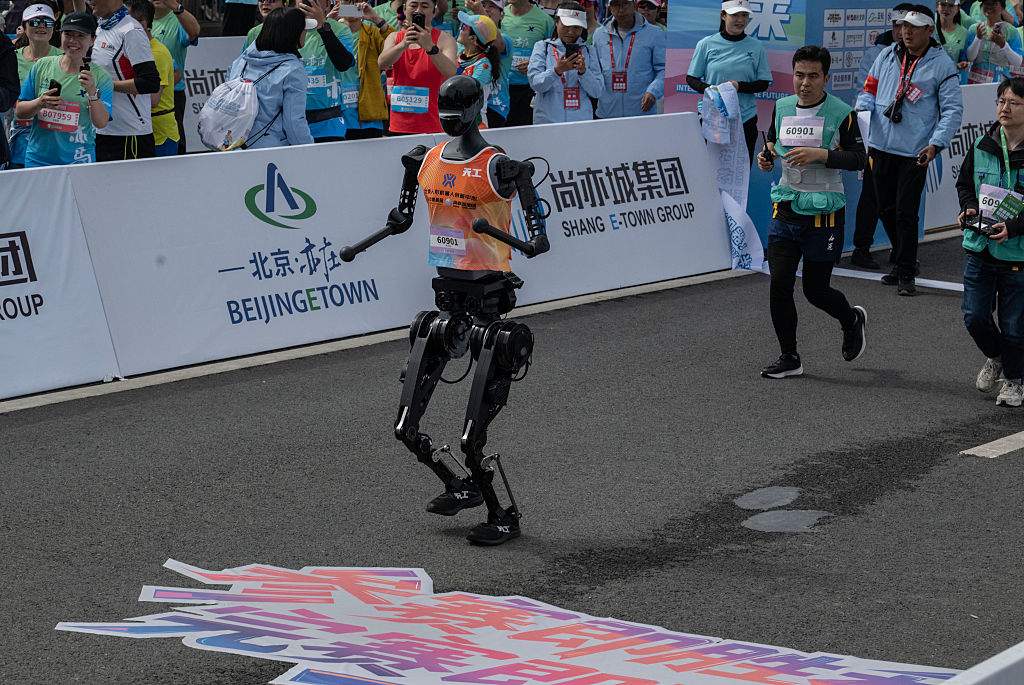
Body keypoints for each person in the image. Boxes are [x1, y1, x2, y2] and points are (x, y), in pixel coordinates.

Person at [338, 75, 550, 545]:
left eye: (458, 111)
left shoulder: (501, 166)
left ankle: (503, 515)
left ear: (477, 108)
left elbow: (538, 234)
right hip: (447, 295)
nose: (451, 118)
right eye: (445, 110)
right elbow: (403, 216)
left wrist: (530, 239)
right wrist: (392, 223)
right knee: (405, 427)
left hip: (489, 296)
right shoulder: (425, 159)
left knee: (473, 436)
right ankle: (460, 485)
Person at [756, 46, 867, 379]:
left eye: (813, 76)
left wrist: (821, 154)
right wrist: (766, 158)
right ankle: (789, 357)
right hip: (786, 207)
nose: (804, 83)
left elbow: (859, 159)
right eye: (799, 75)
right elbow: (773, 142)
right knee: (779, 284)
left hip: (824, 213)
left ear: (826, 78)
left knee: (815, 291)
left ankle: (851, 320)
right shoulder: (782, 106)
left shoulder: (842, 113)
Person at [856, 4, 963, 295]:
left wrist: (936, 144)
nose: (906, 32)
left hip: (915, 150)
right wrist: (862, 116)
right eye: (903, 26)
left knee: (906, 212)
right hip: (879, 145)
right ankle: (906, 259)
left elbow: (952, 110)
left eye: (913, 27)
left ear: (929, 30)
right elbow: (869, 89)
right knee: (884, 208)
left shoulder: (942, 65)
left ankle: (905, 271)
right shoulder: (886, 54)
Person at [955, 77, 1024, 406]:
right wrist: (968, 207)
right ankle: (997, 356)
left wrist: (1014, 227)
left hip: (1017, 253)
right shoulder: (983, 144)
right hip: (980, 246)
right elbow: (964, 184)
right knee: (974, 316)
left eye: (1014, 103)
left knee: (1014, 325)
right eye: (1001, 101)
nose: (1004, 108)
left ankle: (1015, 380)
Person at [850, 2, 912, 269]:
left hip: (910, 141)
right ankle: (861, 248)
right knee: (872, 195)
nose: (901, 31)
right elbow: (865, 91)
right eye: (897, 25)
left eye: (907, 26)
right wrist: (865, 123)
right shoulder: (878, 54)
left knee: (902, 201)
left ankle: (901, 251)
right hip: (879, 138)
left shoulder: (930, 57)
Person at [245, 0, 354, 142]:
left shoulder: (340, 30)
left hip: (326, 125)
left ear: (327, 4)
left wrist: (323, 27)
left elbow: (344, 64)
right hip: (278, 128)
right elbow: (244, 71)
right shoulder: (263, 30)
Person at [15, 12, 113, 166]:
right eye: (68, 34)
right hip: (38, 160)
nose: (73, 40)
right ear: (60, 35)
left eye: (81, 35)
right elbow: (20, 112)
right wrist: (40, 103)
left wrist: (92, 93)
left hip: (79, 161)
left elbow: (101, 123)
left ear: (92, 39)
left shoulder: (101, 77)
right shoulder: (42, 65)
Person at [686, 0, 769, 163]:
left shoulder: (757, 47)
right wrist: (713, 90)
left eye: (744, 15)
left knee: (741, 170)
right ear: (723, 16)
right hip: (712, 118)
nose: (740, 20)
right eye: (735, 15)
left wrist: (739, 86)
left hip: (745, 119)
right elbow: (691, 78)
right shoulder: (706, 44)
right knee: (707, 168)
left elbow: (763, 83)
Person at [227, 7, 314, 148]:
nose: (305, 33)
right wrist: (309, 150)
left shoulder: (241, 61)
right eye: (303, 29)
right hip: (270, 150)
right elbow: (293, 122)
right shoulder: (293, 70)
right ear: (294, 33)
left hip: (232, 143)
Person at [92, 0, 160, 161]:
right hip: (101, 131)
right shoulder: (101, 27)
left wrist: (106, 85)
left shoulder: (131, 30)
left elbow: (150, 82)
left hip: (129, 133)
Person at [378, 0, 458, 135]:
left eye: (424, 6)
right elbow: (382, 63)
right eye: (413, 5)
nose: (418, 10)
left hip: (432, 126)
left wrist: (430, 47)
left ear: (434, 11)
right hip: (398, 125)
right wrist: (403, 45)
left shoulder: (445, 40)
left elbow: (451, 72)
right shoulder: (394, 38)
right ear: (404, 9)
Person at [528, 3, 602, 123]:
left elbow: (597, 91)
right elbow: (535, 84)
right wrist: (556, 71)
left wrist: (584, 73)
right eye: (566, 26)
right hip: (547, 121)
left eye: (576, 27)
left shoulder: (589, 51)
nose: (571, 32)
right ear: (557, 22)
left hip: (580, 121)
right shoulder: (542, 47)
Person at [591, 0, 664, 120]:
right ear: (610, 8)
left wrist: (653, 91)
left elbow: (663, 69)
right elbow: (595, 70)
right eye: (616, 4)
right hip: (607, 113)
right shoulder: (599, 34)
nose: (621, 9)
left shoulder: (654, 33)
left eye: (625, 3)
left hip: (641, 113)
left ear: (634, 5)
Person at [9, 4, 62, 169]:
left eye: (47, 22)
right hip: (17, 139)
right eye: (34, 22)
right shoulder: (11, 59)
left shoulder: (64, 59)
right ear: (23, 27)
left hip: (54, 142)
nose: (41, 26)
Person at [331, 0, 393, 140]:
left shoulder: (373, 33)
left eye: (357, 1)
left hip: (368, 115)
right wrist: (326, 23)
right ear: (338, 3)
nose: (353, 6)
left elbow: (397, 46)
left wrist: (376, 19)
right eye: (348, 1)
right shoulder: (329, 32)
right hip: (337, 115)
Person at [127, 0, 179, 157]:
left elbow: (153, 99)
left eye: (124, 22)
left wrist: (114, 88)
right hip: (139, 130)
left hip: (160, 135)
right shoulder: (133, 48)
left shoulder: (157, 53)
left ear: (142, 24)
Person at [150, 0, 199, 154]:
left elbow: (194, 33)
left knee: (173, 146)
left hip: (172, 95)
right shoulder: (139, 19)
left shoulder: (178, 19)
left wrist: (176, 7)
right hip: (142, 94)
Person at [502, 0, 554, 126]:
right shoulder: (500, 14)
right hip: (501, 89)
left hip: (528, 90)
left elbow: (552, 54)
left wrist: (533, 64)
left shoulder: (545, 20)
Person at [466, 0, 510, 127]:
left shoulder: (506, 39)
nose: (486, 9)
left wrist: (480, 13)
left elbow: (496, 43)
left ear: (502, 15)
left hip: (495, 106)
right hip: (470, 104)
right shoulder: (467, 38)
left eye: (492, 6)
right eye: (483, 5)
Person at [455, 11, 499, 126]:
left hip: (475, 122)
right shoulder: (459, 51)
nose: (460, 29)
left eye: (463, 27)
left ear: (473, 38)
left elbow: (465, 93)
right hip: (456, 118)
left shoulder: (484, 66)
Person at [964, 0, 1024, 83]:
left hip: (1000, 82)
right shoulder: (974, 28)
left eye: (994, 4)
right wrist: (978, 38)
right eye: (986, 3)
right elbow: (970, 57)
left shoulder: (1011, 31)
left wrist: (1003, 45)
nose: (989, 7)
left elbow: (1017, 62)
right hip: (976, 81)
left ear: (1003, 8)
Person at [938, 0, 972, 81]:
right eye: (943, 5)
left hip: (951, 79)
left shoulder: (964, 33)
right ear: (937, 6)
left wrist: (962, 63)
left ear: (958, 8)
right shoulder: (930, 29)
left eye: (951, 5)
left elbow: (963, 58)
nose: (946, 9)